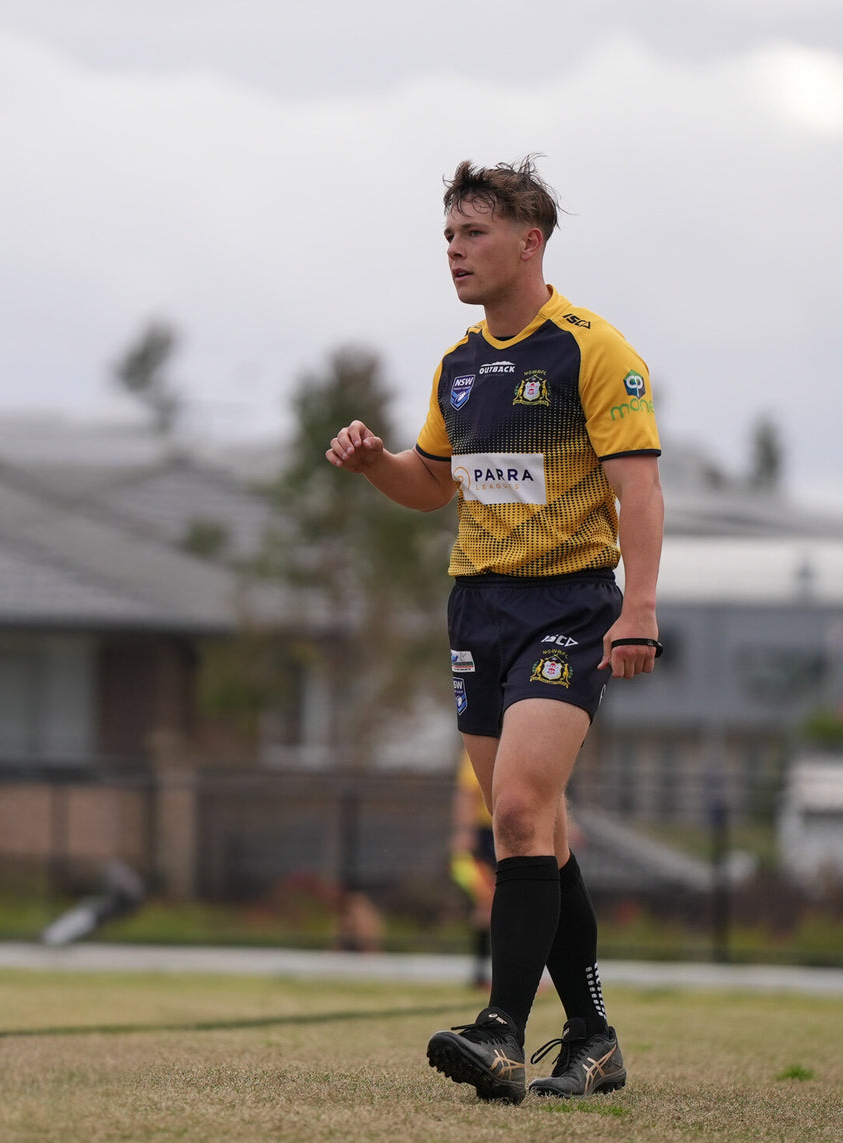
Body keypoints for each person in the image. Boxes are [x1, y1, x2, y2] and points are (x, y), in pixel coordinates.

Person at [325, 157, 663, 1104]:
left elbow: (640, 486)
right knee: (538, 836)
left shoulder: (595, 352)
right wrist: (375, 464)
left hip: (568, 604)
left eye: (472, 234)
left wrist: (638, 608)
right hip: (480, 609)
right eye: (447, 236)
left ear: (531, 240)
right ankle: (592, 1034)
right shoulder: (459, 367)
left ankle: (502, 1029)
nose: (455, 252)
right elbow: (431, 484)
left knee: (514, 811)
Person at [450, 748, 496, 988]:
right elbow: (467, 793)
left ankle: (486, 973)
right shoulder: (478, 748)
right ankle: (481, 972)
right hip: (485, 835)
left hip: (498, 830)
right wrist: (465, 832)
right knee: (487, 902)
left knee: (498, 903)